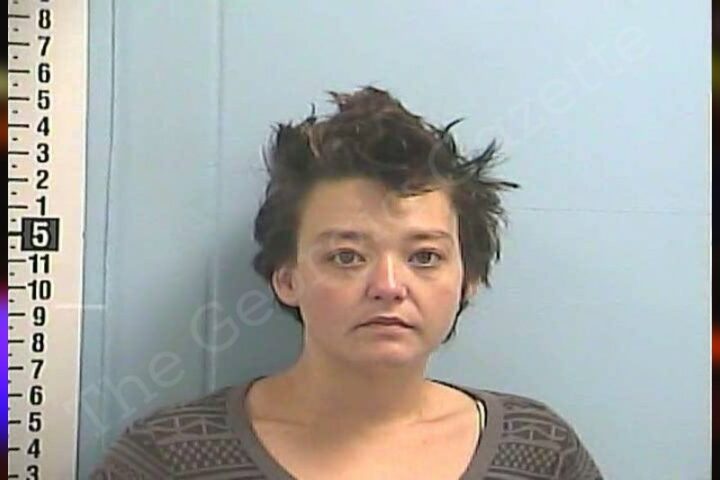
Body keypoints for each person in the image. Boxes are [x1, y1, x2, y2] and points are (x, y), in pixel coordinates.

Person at [91, 86, 604, 479]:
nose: (388, 286)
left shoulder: (537, 451)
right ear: (287, 279)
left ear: (468, 279)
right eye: (346, 256)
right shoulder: (171, 456)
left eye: (424, 257)